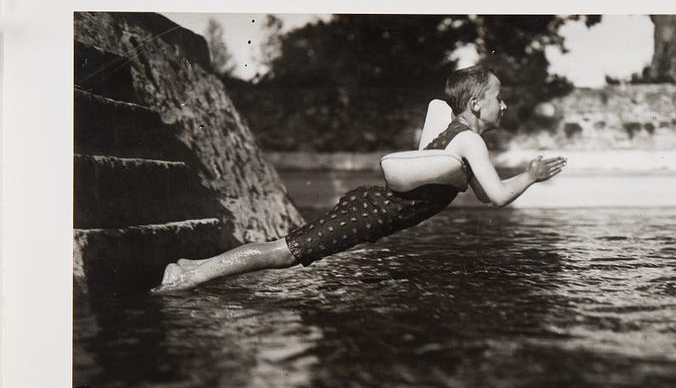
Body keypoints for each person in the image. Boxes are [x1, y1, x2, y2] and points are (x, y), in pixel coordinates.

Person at [152, 65, 567, 293]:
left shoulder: (456, 136)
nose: (505, 104)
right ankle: (189, 276)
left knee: (287, 247)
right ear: (477, 103)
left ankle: (194, 264)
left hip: (370, 203)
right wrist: (530, 176)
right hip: (372, 215)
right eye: (498, 97)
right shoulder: (471, 145)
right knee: (285, 252)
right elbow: (494, 196)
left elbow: (480, 191)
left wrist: (524, 176)